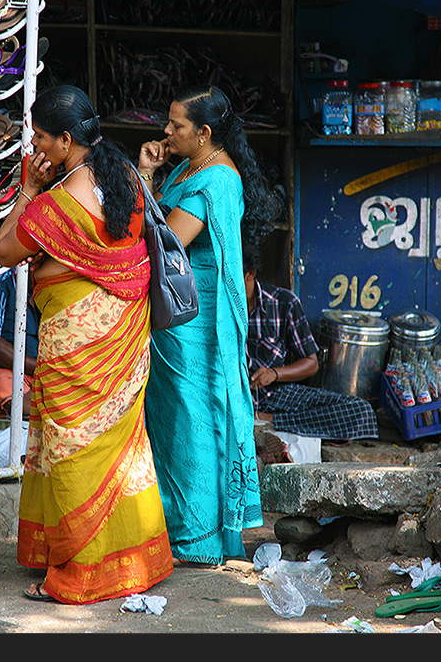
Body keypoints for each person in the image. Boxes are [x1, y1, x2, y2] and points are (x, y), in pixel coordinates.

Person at [0, 84, 173, 604]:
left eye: (43, 139)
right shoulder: (127, 180)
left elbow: (5, 251)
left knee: (74, 450)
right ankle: (133, 561)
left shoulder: (56, 204)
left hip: (76, 344)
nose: (37, 149)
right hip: (123, 337)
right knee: (120, 447)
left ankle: (83, 571)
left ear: (67, 139)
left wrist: (27, 188)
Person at [138, 84, 276, 565]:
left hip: (194, 321)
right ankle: (182, 530)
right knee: (175, 418)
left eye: (177, 125)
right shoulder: (188, 167)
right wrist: (153, 173)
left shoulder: (217, 179)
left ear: (205, 132)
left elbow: (167, 237)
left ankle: (197, 540)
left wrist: (140, 176)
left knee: (192, 421)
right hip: (176, 314)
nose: (167, 130)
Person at [243, 243, 379, 442]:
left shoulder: (284, 303)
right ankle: (262, 419)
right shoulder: (218, 307)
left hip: (274, 397)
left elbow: (311, 364)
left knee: (359, 410)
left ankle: (268, 419)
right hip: (232, 401)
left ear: (251, 274)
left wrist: (273, 374)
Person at [0, 265, 40, 422]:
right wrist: (40, 368)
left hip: (34, 375)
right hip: (4, 371)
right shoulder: (1, 279)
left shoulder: (41, 290)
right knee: (4, 387)